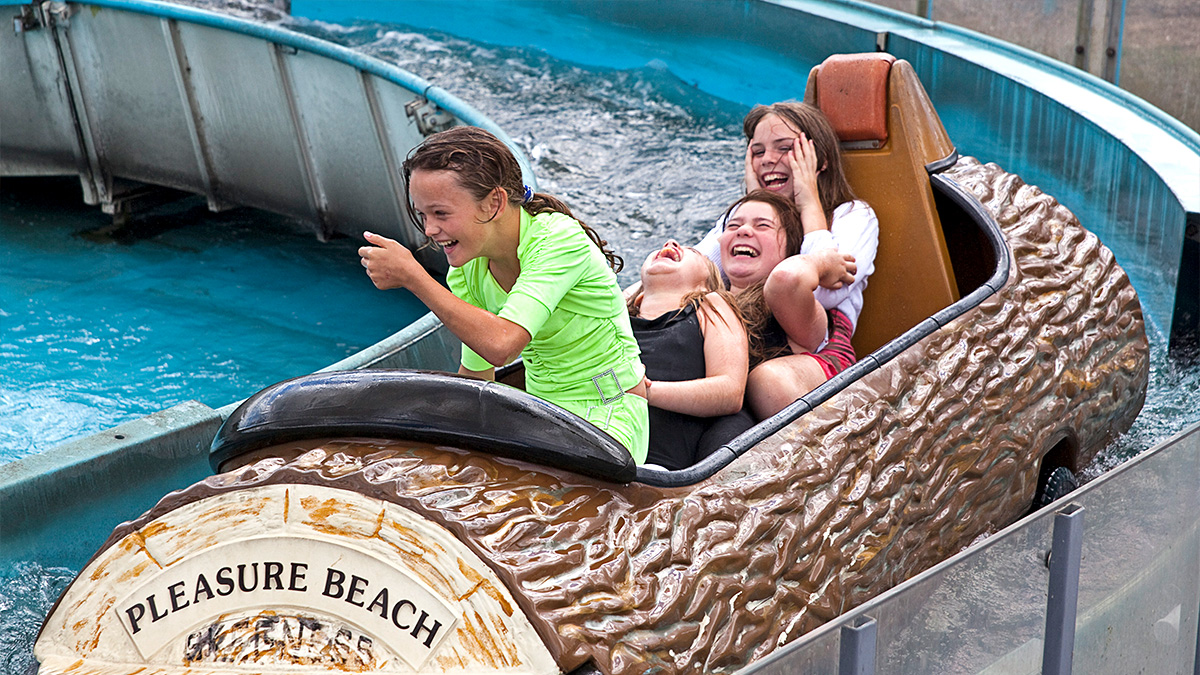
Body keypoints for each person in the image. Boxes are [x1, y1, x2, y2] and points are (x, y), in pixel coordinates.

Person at [358, 126, 649, 463]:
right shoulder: (468, 268)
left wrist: (415, 278)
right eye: (423, 215)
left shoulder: (558, 240)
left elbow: (502, 345)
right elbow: (477, 377)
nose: (429, 230)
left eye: (441, 213)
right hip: (543, 416)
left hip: (609, 416)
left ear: (494, 202)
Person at [697, 102, 878, 417]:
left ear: (818, 159)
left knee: (770, 382)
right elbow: (699, 270)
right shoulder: (742, 220)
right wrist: (754, 206)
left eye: (784, 148)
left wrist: (809, 202)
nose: (768, 160)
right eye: (757, 152)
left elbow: (825, 289)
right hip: (743, 337)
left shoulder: (852, 215)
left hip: (814, 347)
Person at [718, 190, 859, 419]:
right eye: (733, 226)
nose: (743, 230)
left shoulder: (788, 304)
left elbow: (787, 279)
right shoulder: (704, 298)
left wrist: (819, 262)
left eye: (763, 226)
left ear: (790, 251)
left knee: (768, 380)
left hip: (771, 434)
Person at [627, 240, 753, 469]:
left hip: (662, 467)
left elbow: (731, 390)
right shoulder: (617, 319)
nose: (670, 243)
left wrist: (646, 391)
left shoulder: (709, 304)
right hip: (608, 447)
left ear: (706, 285)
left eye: (693, 252)